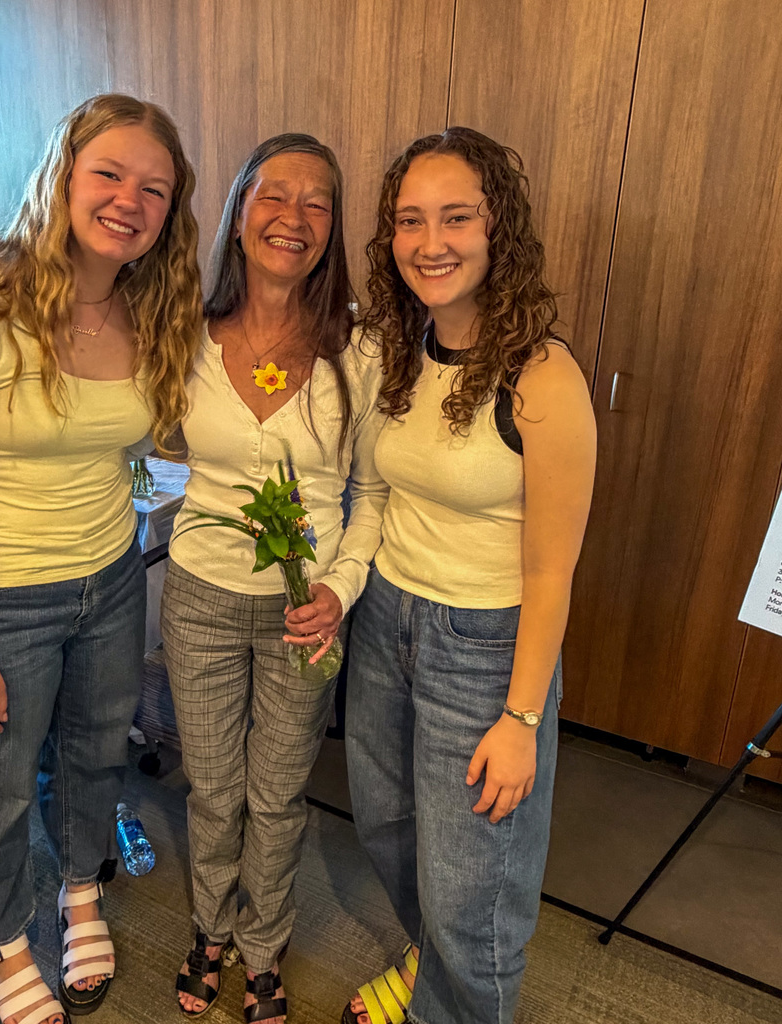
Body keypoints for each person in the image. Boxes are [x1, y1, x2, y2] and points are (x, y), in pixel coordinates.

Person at [0, 94, 202, 1024]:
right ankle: (2, 940)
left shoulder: (146, 305)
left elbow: (127, 443)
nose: (129, 200)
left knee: (96, 758)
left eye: (155, 189)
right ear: (62, 176)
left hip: (109, 581)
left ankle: (80, 889)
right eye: (109, 173)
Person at [342, 128, 597, 1024]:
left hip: (485, 645)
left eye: (457, 217)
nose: (431, 242)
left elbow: (554, 569)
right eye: (411, 220)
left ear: (498, 231)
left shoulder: (543, 377)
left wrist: (522, 720)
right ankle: (433, 965)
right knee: (387, 824)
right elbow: (377, 487)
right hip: (386, 620)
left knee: (473, 884)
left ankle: (455, 998)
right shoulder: (399, 347)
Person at [164, 134, 388, 1024]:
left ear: (332, 227)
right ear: (238, 211)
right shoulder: (185, 332)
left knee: (277, 792)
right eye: (274, 195)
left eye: (317, 203)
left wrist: (340, 589)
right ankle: (210, 929)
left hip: (310, 612)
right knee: (214, 788)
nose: (294, 217)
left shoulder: (359, 347)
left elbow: (372, 493)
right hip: (200, 600)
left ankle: (264, 946)